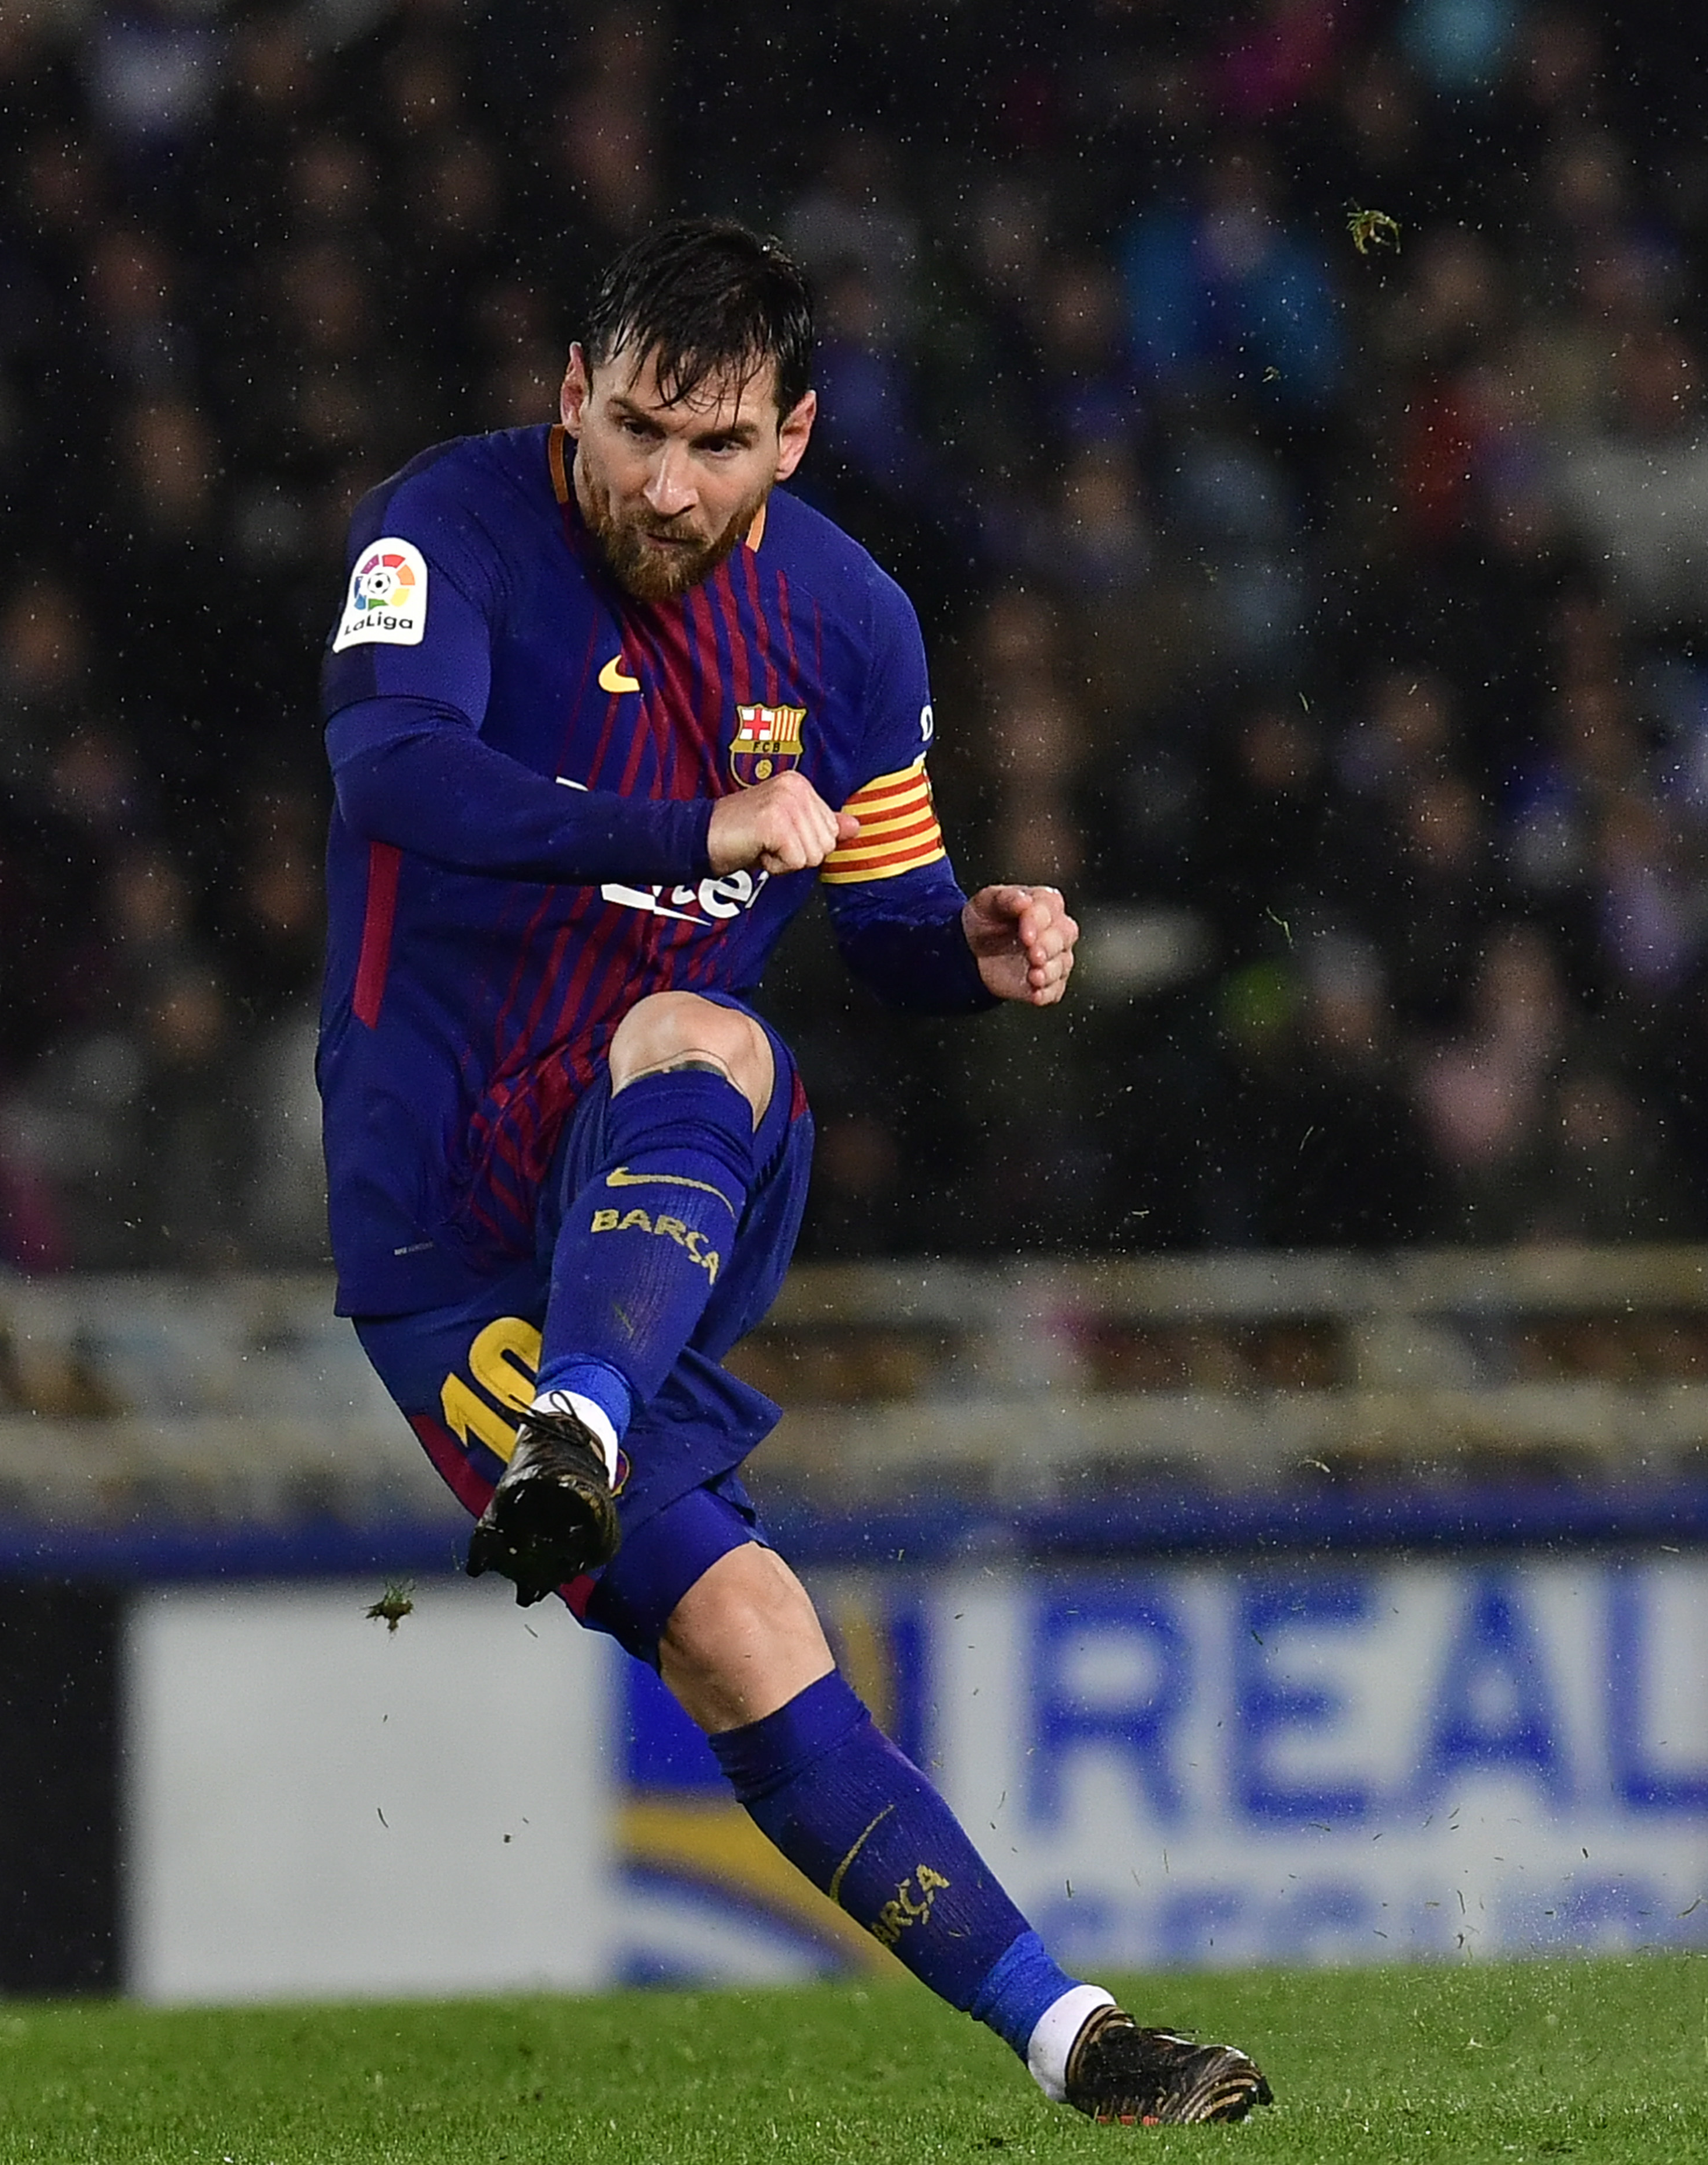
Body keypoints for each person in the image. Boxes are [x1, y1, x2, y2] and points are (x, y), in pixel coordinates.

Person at [317, 220, 1267, 2124]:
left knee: (710, 1031)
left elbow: (889, 906)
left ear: (797, 438)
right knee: (752, 1630)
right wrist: (690, 817)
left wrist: (968, 947)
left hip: (653, 1168)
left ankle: (577, 1423)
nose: (664, 483)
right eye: (636, 427)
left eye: (717, 443)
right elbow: (392, 774)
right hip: (437, 1222)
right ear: (568, 391)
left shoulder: (848, 629)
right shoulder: (445, 530)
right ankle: (1074, 2036)